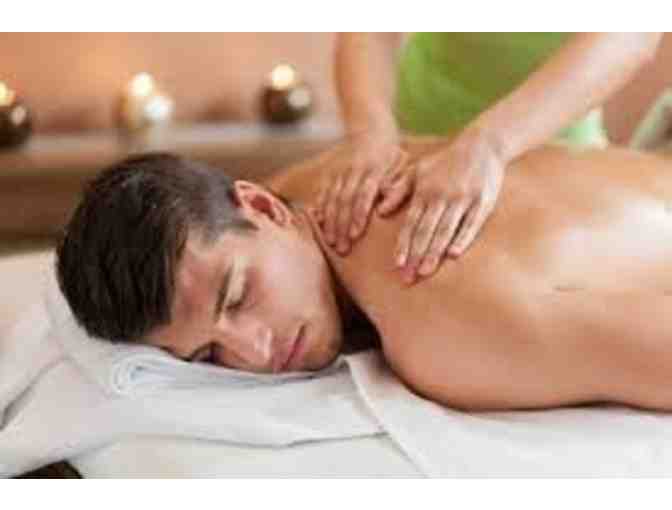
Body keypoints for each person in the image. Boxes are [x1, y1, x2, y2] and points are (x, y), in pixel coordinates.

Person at [57, 139, 672, 411]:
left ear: (264, 207)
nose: (254, 353)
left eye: (239, 297)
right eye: (208, 355)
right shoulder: (318, 179)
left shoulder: (444, 330)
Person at [318, 33, 662, 284]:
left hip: (554, 147)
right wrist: (369, 131)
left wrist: (490, 144)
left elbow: (629, 35)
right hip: (406, 140)